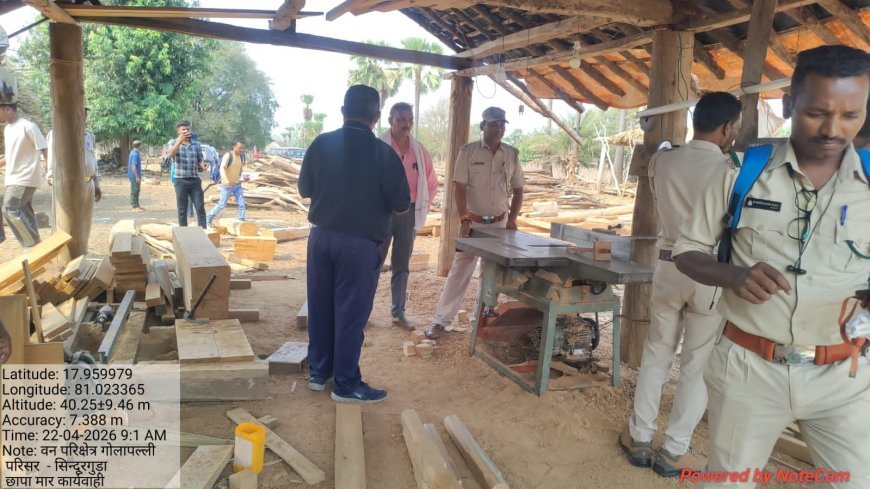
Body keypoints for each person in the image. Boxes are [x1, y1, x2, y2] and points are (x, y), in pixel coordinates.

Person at [673, 45, 870, 488]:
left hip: (846, 377)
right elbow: (686, 251)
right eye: (817, 113)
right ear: (788, 104)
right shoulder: (740, 173)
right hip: (749, 370)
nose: (833, 130)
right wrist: (733, 275)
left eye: (851, 116)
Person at [619, 92, 742, 477]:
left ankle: (639, 437)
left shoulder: (664, 160)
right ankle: (674, 449)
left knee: (657, 351)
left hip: (668, 266)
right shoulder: (732, 168)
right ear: (727, 128)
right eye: (734, 128)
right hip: (710, 272)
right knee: (696, 363)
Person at [298, 85, 410, 404]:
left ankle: (319, 372)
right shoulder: (384, 154)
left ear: (343, 112)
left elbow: (305, 190)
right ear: (377, 117)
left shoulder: (321, 144)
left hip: (320, 238)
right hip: (359, 245)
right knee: (350, 314)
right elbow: (401, 207)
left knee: (320, 306)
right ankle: (345, 384)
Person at [426, 107, 525, 340]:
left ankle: (479, 320)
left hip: (500, 225)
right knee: (460, 270)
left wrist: (512, 219)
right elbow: (459, 187)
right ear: (483, 126)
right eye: (493, 124)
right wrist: (464, 218)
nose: (498, 129)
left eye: (502, 125)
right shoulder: (468, 152)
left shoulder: (511, 154)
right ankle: (441, 321)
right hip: (474, 224)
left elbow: (519, 189)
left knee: (490, 273)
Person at [378, 102, 438, 331]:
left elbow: (431, 182)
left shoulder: (419, 151)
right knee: (372, 263)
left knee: (401, 265)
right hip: (381, 213)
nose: (406, 124)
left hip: (409, 214)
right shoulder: (379, 147)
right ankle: (362, 311)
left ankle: (398, 313)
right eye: (401, 119)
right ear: (390, 121)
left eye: (410, 119)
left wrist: (421, 207)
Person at [0, 101, 47, 247]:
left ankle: (30, 244)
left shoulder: (28, 127)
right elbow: (10, 156)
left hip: (25, 178)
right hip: (13, 178)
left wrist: (50, 171)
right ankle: (36, 246)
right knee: (26, 213)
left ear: (8, 109)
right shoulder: (8, 129)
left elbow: (44, 148)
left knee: (9, 209)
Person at [166, 120, 207, 228]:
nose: (186, 131)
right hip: (180, 180)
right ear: (178, 131)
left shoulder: (196, 144)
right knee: (182, 209)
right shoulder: (173, 142)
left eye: (188, 129)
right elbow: (170, 155)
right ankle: (183, 233)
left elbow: (200, 158)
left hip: (194, 180)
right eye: (183, 129)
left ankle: (203, 231)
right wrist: (179, 141)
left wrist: (202, 164)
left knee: (200, 207)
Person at [206, 140, 247, 227]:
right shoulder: (228, 156)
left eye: (243, 148)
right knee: (222, 205)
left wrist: (244, 177)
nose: (241, 150)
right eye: (240, 148)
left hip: (237, 185)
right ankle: (209, 217)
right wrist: (225, 181)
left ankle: (241, 221)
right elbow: (222, 168)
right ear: (234, 147)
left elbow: (240, 171)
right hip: (227, 185)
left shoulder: (240, 157)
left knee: (242, 204)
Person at [128, 140, 144, 211]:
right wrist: (137, 176)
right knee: (134, 190)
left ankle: (137, 205)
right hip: (134, 175)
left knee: (137, 190)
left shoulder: (133, 152)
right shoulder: (135, 154)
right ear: (139, 146)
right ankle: (134, 206)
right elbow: (133, 166)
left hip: (134, 175)